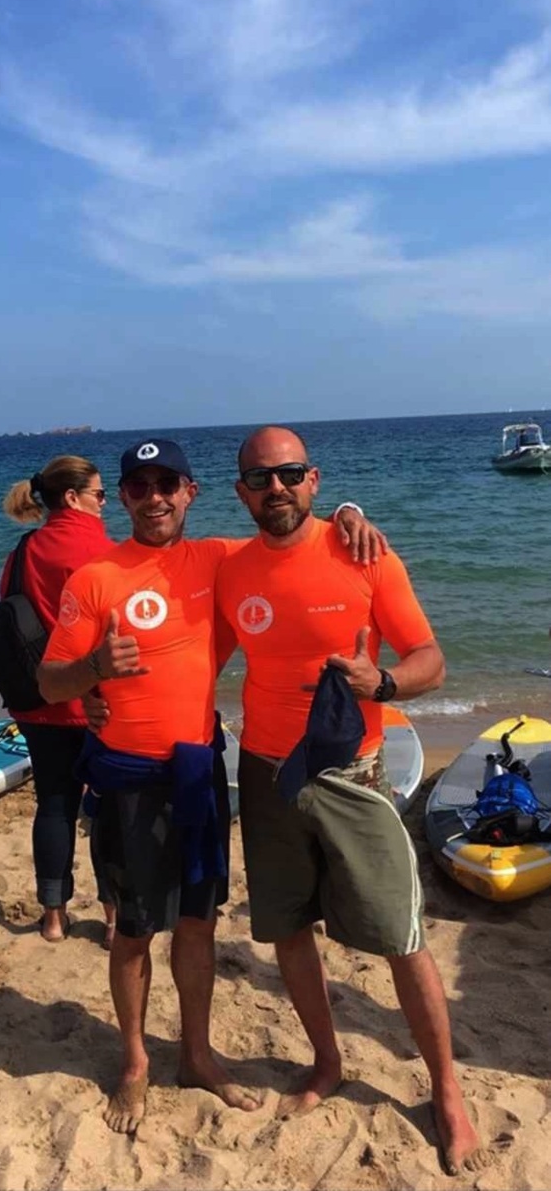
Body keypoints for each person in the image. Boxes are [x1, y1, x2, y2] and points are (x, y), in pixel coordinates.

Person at [38, 437, 386, 1136]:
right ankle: (135, 1061)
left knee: (198, 925)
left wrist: (347, 508)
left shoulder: (221, 560)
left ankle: (196, 1054)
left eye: (168, 483)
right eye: (138, 487)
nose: (155, 497)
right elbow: (49, 680)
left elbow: (289, 532)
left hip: (197, 771)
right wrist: (92, 672)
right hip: (129, 782)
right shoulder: (94, 577)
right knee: (133, 931)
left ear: (191, 493)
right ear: (124, 498)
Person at [214, 425, 485, 1176]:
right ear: (241, 491)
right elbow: (177, 629)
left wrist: (385, 684)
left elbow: (430, 659)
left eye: (290, 474)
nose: (276, 488)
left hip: (352, 773)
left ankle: (448, 1093)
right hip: (267, 774)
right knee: (289, 928)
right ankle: (326, 1062)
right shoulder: (229, 570)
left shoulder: (363, 552)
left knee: (402, 938)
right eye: (261, 479)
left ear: (313, 480)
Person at [0, 455, 117, 944]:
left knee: (53, 803)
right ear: (72, 498)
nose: (105, 503)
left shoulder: (23, 550)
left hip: (37, 698)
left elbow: (9, 611)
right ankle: (114, 919)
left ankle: (52, 916)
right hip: (94, 701)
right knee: (108, 808)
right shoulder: (103, 549)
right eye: (99, 494)